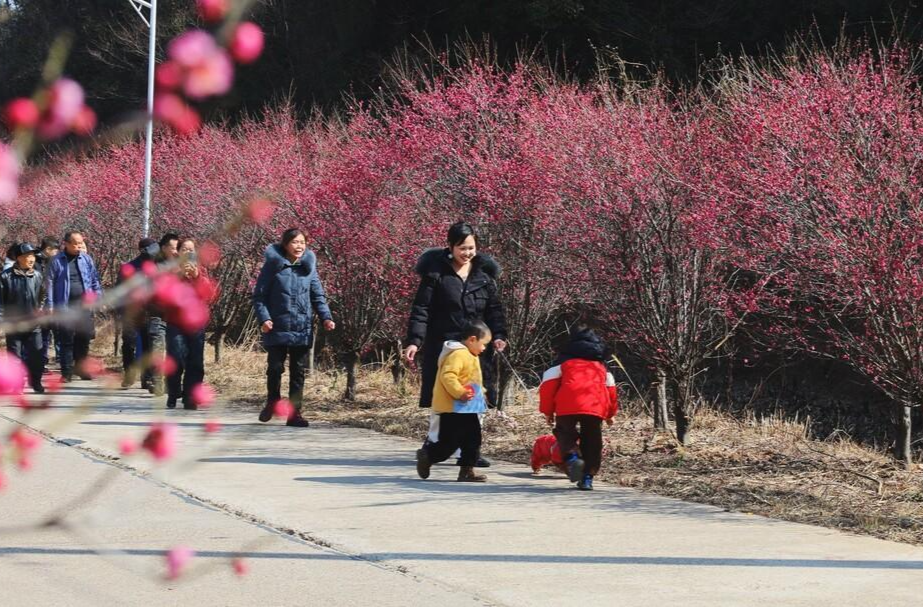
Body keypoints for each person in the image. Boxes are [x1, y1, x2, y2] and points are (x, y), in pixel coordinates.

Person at [403, 221, 507, 468]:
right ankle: (432, 445)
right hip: (445, 347)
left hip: (476, 349)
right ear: (450, 247)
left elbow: (494, 310)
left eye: (471, 247)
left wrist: (499, 334)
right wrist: (414, 341)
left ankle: (471, 452)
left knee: (476, 398)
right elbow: (421, 310)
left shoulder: (484, 275)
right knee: (444, 398)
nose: (467, 253)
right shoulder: (435, 274)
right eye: (462, 247)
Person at [252, 228, 335, 427]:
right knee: (275, 368)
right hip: (276, 325)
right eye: (295, 242)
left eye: (302, 242)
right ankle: (273, 402)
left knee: (298, 372)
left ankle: (294, 413)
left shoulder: (309, 268)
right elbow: (260, 296)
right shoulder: (272, 266)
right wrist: (264, 319)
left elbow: (317, 296)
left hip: (302, 326)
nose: (299, 246)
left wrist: (326, 317)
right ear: (285, 245)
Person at [538, 326, 619, 491]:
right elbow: (611, 390)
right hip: (596, 405)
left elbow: (548, 386)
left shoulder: (563, 363)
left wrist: (547, 411)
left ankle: (573, 458)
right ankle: (588, 478)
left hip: (567, 403)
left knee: (564, 432)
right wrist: (610, 414)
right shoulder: (601, 366)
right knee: (592, 440)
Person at [415, 320, 492, 482]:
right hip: (452, 408)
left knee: (473, 439)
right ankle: (428, 456)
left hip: (468, 408)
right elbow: (448, 376)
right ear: (472, 339)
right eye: (483, 344)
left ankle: (467, 470)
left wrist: (481, 394)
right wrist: (459, 392)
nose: (484, 348)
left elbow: (472, 380)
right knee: (449, 442)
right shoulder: (458, 354)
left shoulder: (471, 355)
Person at [45, 231, 102, 382]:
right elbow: (49, 283)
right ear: (67, 244)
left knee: (83, 339)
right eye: (76, 243)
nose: (79, 246)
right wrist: (50, 305)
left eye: (81, 243)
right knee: (66, 340)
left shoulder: (86, 259)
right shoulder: (56, 261)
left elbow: (94, 279)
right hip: (65, 307)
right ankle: (67, 372)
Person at [165, 238, 210, 409]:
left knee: (195, 360)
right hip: (175, 321)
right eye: (185, 249)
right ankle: (174, 390)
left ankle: (191, 396)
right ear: (178, 251)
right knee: (176, 358)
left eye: (192, 249)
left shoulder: (201, 269)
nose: (189, 252)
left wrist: (197, 276)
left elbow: (207, 292)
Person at [0, 243, 46, 393]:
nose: (31, 259)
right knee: (15, 357)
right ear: (18, 258)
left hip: (34, 324)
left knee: (37, 355)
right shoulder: (5, 277)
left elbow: (42, 296)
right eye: (27, 256)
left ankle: (36, 382)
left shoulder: (38, 276)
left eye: (32, 256)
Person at [119, 237, 159, 389]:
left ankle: (148, 377)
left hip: (150, 311)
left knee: (149, 344)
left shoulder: (157, 266)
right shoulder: (130, 267)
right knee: (129, 343)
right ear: (143, 250)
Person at [146, 233, 179, 395]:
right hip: (157, 314)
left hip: (175, 316)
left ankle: (171, 382)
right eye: (172, 248)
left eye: (176, 248)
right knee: (158, 349)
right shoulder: (154, 266)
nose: (175, 251)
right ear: (164, 248)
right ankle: (157, 382)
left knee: (175, 350)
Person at [35, 237, 61, 373]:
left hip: (52, 302)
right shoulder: (36, 261)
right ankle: (41, 362)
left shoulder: (53, 262)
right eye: (55, 250)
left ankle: (53, 360)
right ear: (48, 249)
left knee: (52, 333)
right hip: (41, 304)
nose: (57, 252)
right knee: (43, 334)